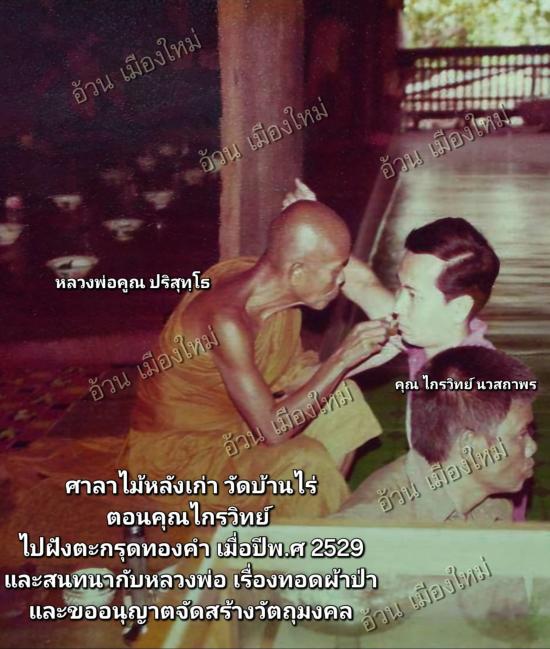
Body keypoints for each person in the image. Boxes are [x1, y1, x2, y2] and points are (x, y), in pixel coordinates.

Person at [282, 180, 536, 521]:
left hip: (473, 516)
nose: (398, 307)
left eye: (413, 295)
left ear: (458, 308)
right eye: (401, 288)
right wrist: (315, 224)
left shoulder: (471, 385)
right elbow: (363, 283)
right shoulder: (428, 332)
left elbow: (474, 488)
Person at [125, 200, 388, 517]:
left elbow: (293, 377)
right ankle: (309, 530)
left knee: (344, 400)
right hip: (182, 456)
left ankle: (314, 518)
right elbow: (273, 431)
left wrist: (372, 354)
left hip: (242, 425)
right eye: (334, 271)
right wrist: (342, 359)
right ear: (297, 272)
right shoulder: (226, 320)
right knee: (305, 463)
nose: (341, 281)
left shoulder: (273, 296)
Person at [333, 346, 538, 523]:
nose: (532, 447)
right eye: (521, 434)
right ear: (469, 445)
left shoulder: (492, 501)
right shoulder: (374, 525)